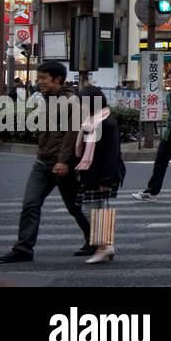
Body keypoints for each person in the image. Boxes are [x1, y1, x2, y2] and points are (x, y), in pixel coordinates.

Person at [0, 62, 93, 263]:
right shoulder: (47, 98)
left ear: (57, 79)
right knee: (30, 204)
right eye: (38, 77)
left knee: (74, 206)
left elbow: (72, 134)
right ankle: (23, 248)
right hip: (42, 162)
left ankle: (95, 239)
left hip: (62, 165)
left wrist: (64, 161)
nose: (38, 81)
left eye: (43, 78)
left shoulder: (71, 101)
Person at [73, 85, 126, 265]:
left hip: (101, 174)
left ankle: (103, 247)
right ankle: (105, 247)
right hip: (92, 172)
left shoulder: (106, 123)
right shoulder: (92, 121)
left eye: (83, 103)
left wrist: (106, 179)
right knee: (94, 210)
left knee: (92, 210)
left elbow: (112, 153)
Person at [132, 68, 171, 201]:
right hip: (168, 134)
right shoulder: (169, 95)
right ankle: (151, 192)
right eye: (167, 77)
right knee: (159, 163)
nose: (168, 80)